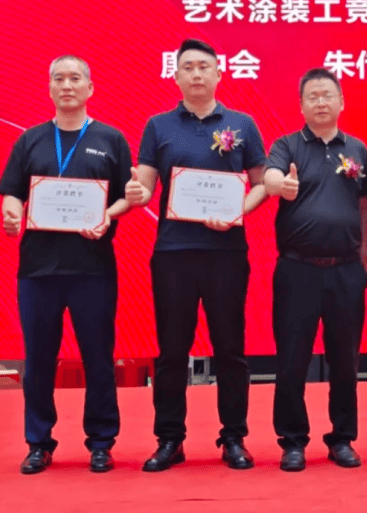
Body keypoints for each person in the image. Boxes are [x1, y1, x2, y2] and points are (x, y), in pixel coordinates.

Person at [125, 38, 267, 471]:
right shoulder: (158, 125)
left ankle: (234, 437)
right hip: (174, 252)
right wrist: (137, 193)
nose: (197, 74)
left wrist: (237, 211)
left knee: (230, 348)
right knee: (172, 350)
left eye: (204, 66)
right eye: (188, 67)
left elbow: (262, 183)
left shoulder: (242, 123)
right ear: (176, 76)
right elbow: (145, 185)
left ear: (219, 74)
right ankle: (170, 439)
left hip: (226, 252)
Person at [0, 55, 132, 474]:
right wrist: (11, 214)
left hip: (93, 268)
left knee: (98, 358)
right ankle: (39, 443)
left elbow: (127, 196)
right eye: (59, 78)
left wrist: (108, 215)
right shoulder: (30, 140)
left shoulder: (111, 139)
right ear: (50, 88)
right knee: (38, 359)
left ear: (90, 88)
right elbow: (12, 192)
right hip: (38, 270)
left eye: (75, 78)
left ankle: (101, 442)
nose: (67, 85)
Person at [264, 68, 367, 472]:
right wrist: (280, 184)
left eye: (328, 95)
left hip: (346, 269)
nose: (321, 102)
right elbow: (271, 176)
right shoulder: (286, 146)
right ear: (301, 105)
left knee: (345, 359)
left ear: (342, 102)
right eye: (313, 96)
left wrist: (364, 256)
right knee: (292, 359)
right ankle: (292, 441)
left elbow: (366, 205)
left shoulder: (357, 149)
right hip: (298, 270)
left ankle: (342, 438)